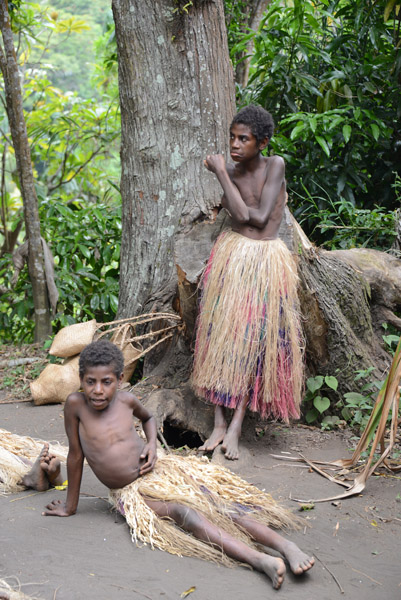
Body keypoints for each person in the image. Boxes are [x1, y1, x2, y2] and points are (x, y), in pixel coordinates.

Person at [36, 339, 314, 590]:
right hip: (131, 494)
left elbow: (149, 419)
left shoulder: (126, 400)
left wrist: (152, 445)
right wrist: (70, 507)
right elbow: (75, 455)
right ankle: (258, 559)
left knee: (214, 504)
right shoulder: (74, 406)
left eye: (106, 382)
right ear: (80, 379)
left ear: (120, 380)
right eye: (90, 382)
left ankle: (285, 546)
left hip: (158, 473)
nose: (97, 390)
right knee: (185, 513)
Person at [191, 105, 304, 460]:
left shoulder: (276, 166)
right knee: (219, 340)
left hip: (265, 260)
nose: (236, 144)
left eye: (244, 139)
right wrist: (226, 174)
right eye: (232, 138)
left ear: (263, 142)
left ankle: (238, 424)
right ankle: (219, 422)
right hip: (233, 258)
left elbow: (253, 217)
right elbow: (239, 216)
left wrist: (221, 172)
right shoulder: (232, 174)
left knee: (254, 341)